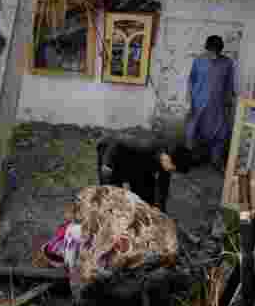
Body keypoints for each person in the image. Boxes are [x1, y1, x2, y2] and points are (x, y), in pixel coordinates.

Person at [96, 132, 192, 214]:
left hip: (139, 166)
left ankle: (141, 224)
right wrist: (107, 164)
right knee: (114, 199)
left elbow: (163, 186)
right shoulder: (146, 146)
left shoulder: (166, 163)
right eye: (172, 169)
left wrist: (159, 208)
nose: (171, 172)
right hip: (111, 153)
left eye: (173, 171)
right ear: (167, 157)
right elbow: (117, 142)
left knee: (146, 201)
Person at [185, 35, 237, 172]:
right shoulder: (198, 61)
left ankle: (216, 160)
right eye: (211, 51)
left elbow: (229, 84)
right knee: (193, 132)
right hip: (199, 104)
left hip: (217, 106)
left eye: (216, 52)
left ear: (220, 51)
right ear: (207, 49)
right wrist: (191, 100)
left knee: (220, 133)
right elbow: (191, 80)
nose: (213, 55)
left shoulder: (227, 63)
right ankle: (192, 159)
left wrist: (228, 102)